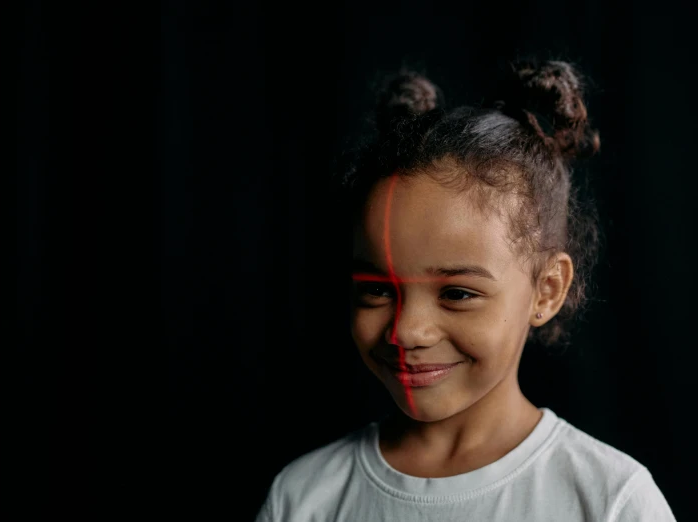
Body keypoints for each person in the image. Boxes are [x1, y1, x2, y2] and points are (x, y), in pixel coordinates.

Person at [255, 59, 676, 521]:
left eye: (457, 293)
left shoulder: (609, 500)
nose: (407, 331)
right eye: (378, 290)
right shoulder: (304, 498)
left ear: (547, 290)